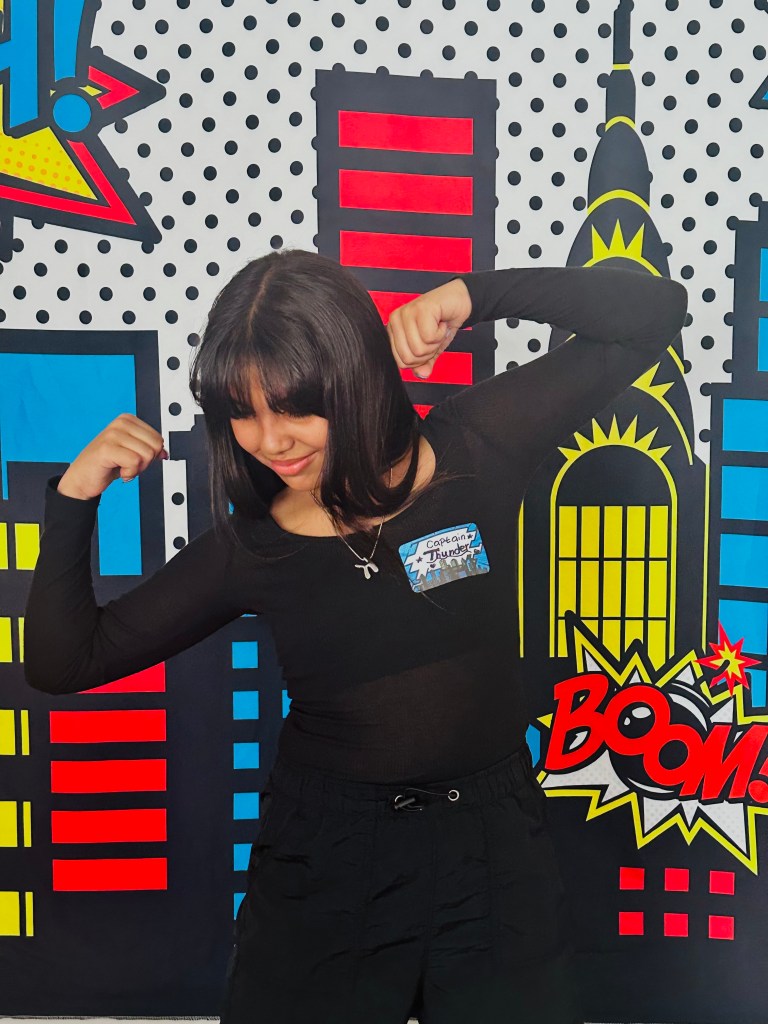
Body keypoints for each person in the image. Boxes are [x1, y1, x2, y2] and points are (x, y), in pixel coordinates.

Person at [24, 250, 688, 1024]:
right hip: (329, 870)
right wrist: (74, 497)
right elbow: (64, 661)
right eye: (242, 412)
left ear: (355, 376)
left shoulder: (479, 447)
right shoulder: (251, 549)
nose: (269, 440)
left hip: (492, 855)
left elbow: (656, 316)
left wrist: (477, 294)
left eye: (294, 406)